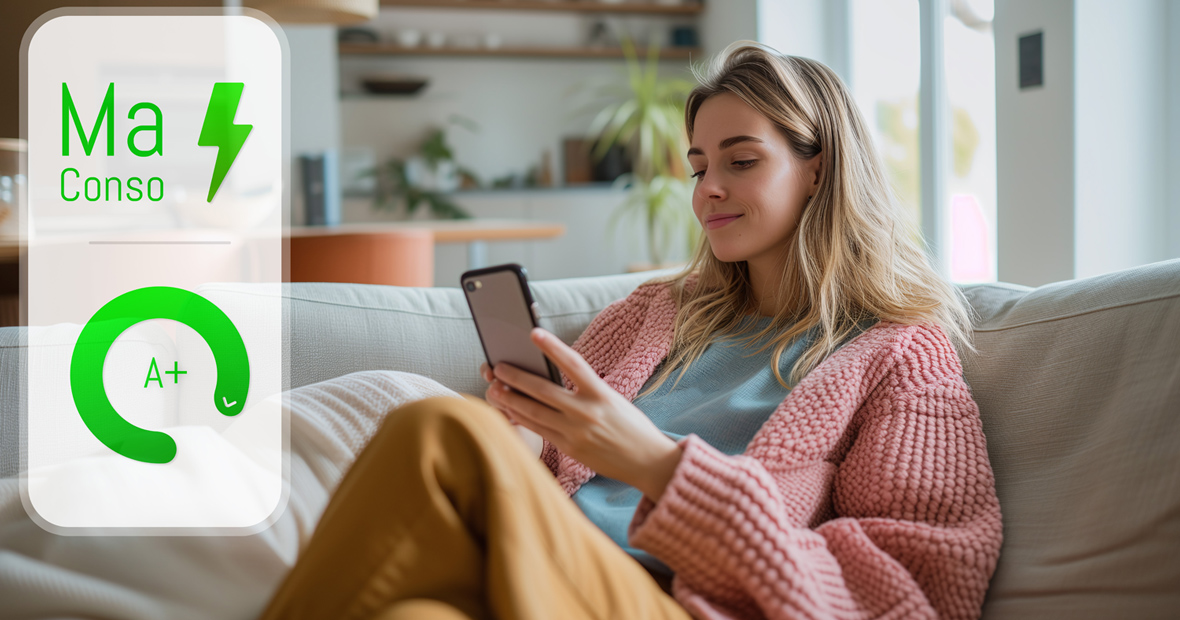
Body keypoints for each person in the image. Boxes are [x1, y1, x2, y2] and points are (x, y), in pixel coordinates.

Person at [260, 41, 1002, 620]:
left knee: (438, 431)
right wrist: (523, 417)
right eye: (699, 166)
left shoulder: (899, 358)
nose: (709, 188)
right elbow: (548, 464)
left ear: (819, 169)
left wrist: (657, 466)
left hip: (671, 600)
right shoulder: (653, 314)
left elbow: (917, 596)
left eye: (742, 161)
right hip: (539, 574)